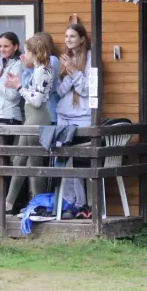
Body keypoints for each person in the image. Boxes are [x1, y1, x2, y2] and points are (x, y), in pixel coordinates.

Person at [4, 34, 53, 213]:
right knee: (21, 159)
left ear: (33, 53)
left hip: (37, 117)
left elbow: (37, 100)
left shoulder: (42, 71)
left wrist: (19, 87)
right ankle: (10, 202)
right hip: (32, 117)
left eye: (26, 51)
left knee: (33, 161)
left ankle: (36, 203)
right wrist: (18, 84)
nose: (24, 55)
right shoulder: (38, 70)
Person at [56, 23, 92, 215]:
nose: (68, 40)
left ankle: (82, 204)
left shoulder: (91, 58)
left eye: (72, 36)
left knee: (79, 162)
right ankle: (68, 203)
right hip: (63, 116)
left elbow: (87, 90)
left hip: (83, 117)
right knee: (63, 162)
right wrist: (69, 72)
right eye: (66, 36)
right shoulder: (64, 58)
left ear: (82, 39)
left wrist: (74, 70)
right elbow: (60, 91)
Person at [21, 32, 60, 124]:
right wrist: (28, 68)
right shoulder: (38, 67)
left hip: (48, 109)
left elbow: (43, 84)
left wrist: (19, 88)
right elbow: (28, 86)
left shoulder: (50, 61)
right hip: (34, 111)